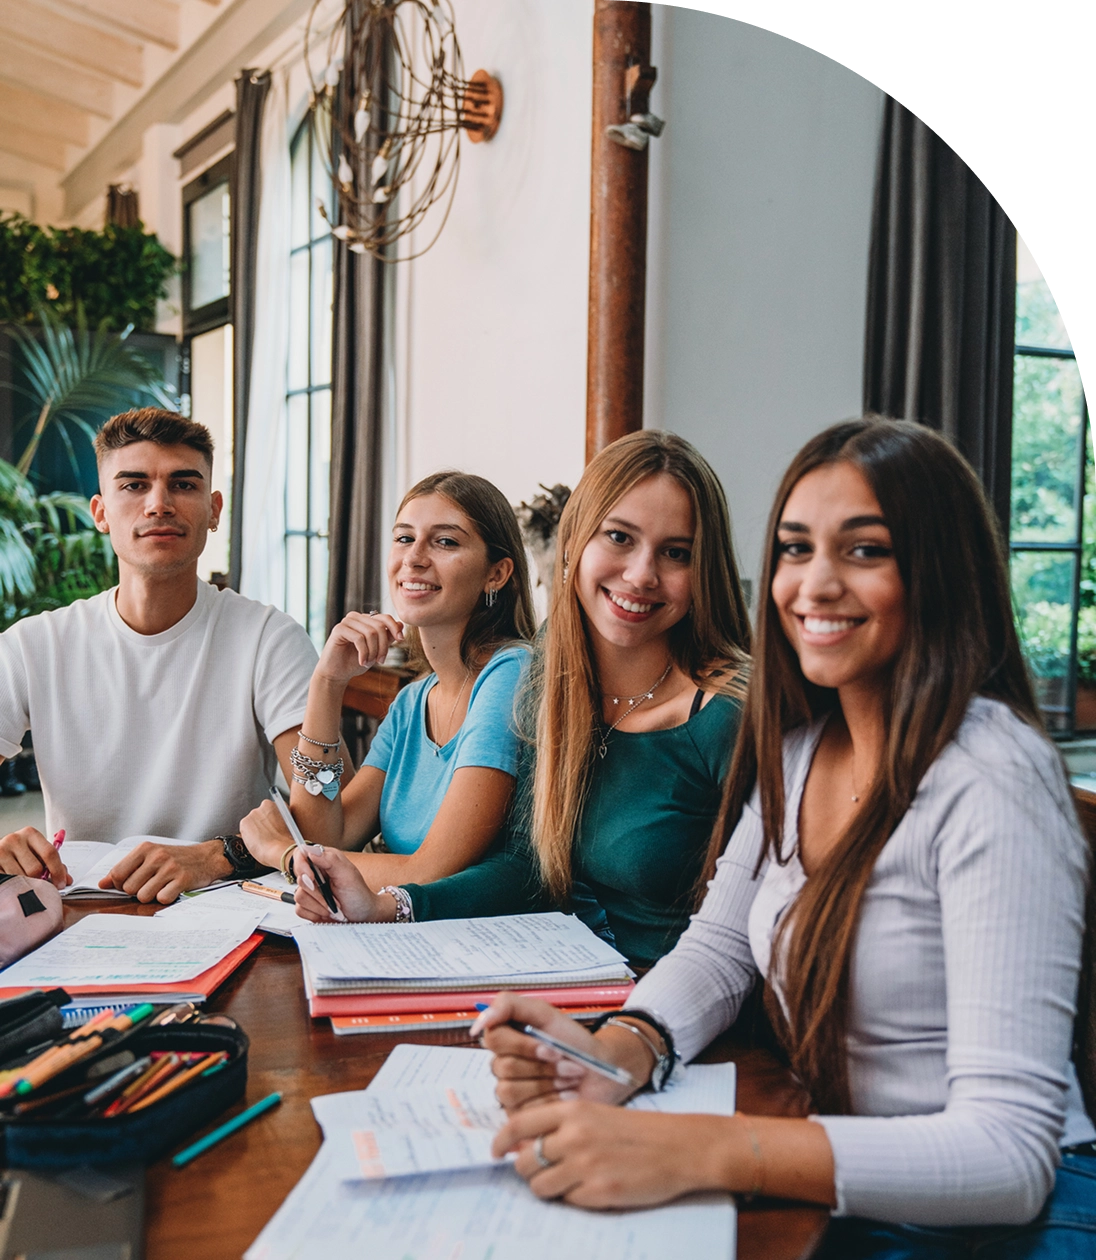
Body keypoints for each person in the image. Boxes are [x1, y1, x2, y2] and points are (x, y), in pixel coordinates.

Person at [478, 417, 1096, 1256]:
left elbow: (1010, 1155)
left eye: (865, 550)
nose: (815, 584)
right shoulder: (803, 747)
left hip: (996, 1218)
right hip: (838, 1171)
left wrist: (699, 1150)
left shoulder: (992, 778)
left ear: (941, 572)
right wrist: (617, 1051)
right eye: (797, 549)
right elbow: (721, 948)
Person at [289, 430, 752, 971]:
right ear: (572, 544)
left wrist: (284, 852)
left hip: (663, 997)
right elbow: (527, 867)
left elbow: (759, 934)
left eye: (676, 553)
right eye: (619, 537)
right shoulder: (555, 679)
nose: (641, 574)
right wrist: (389, 906)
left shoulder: (726, 717)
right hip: (552, 978)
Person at [0, 408, 318, 902]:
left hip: (231, 903)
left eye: (183, 485)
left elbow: (328, 811)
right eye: (134, 485)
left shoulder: (269, 638)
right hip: (84, 908)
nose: (159, 504)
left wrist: (217, 855)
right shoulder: (33, 645)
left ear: (214, 510)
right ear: (101, 513)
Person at [239, 472, 537, 903]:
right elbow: (331, 835)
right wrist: (327, 683)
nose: (413, 558)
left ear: (497, 574)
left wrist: (284, 854)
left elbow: (430, 873)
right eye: (404, 538)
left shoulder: (512, 672)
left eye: (445, 542)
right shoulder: (413, 702)